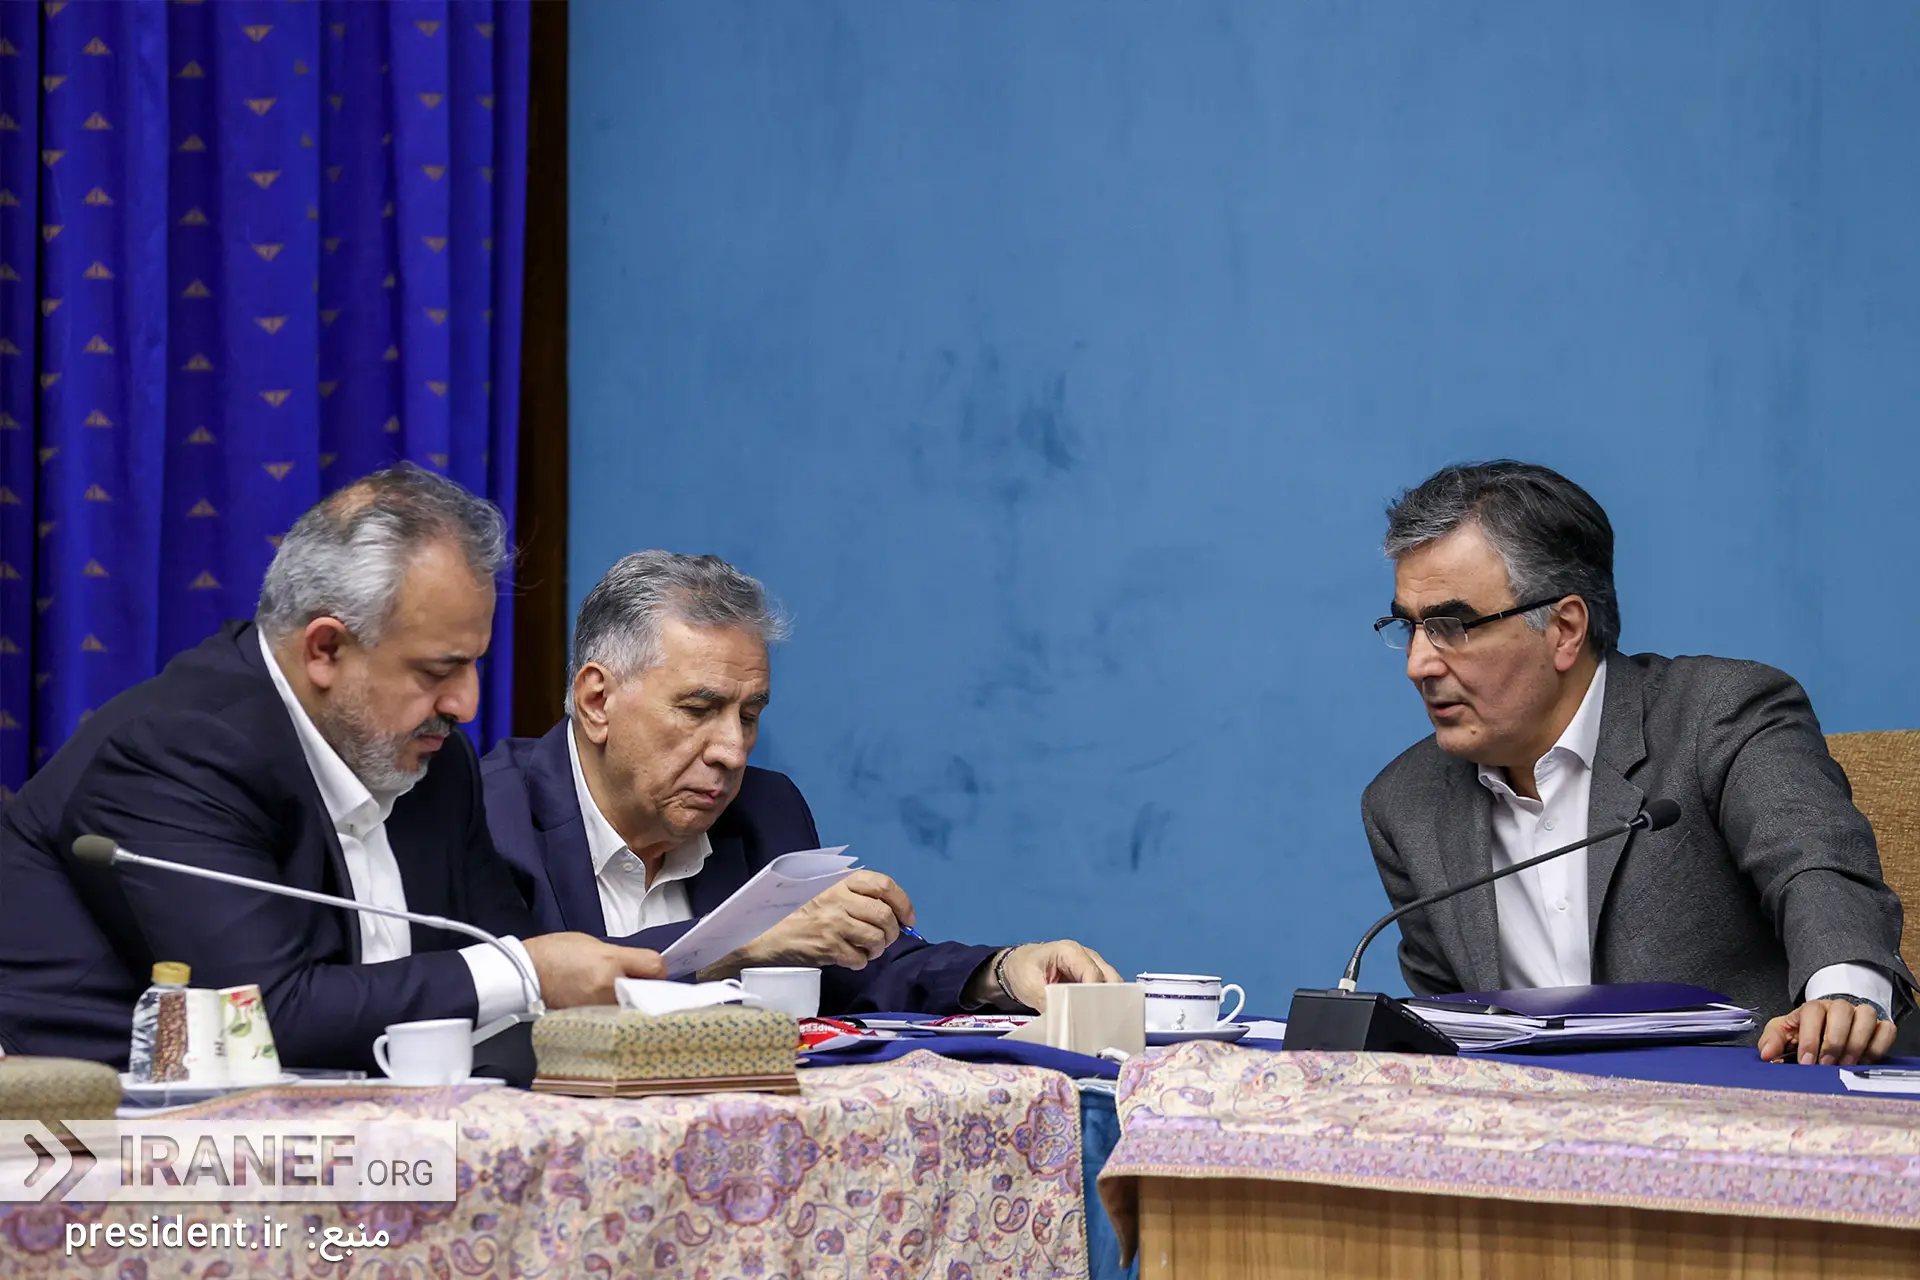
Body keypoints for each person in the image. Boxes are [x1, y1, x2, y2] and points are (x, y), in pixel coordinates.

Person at [0, 465, 662, 1069]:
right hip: (98, 1132)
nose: (465, 704)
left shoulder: (435, 759)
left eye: (474, 664)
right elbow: (266, 1020)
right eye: (438, 670)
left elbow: (501, 959)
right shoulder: (178, 752)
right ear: (324, 649)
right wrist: (526, 973)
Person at [1362, 461, 1912, 1066]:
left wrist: (1842, 993)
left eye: (1452, 626)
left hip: (1757, 1094)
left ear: (1564, 629)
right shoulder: (1405, 804)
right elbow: (1447, 1033)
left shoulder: (1718, 716)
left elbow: (1816, 867)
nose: (1418, 664)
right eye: (1409, 627)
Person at [483, 551, 1120, 1015]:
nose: (733, 750)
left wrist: (1001, 971)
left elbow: (866, 975)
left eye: (749, 715)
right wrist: (741, 944)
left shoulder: (765, 809)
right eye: (699, 709)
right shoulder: (490, 813)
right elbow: (518, 997)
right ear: (597, 700)